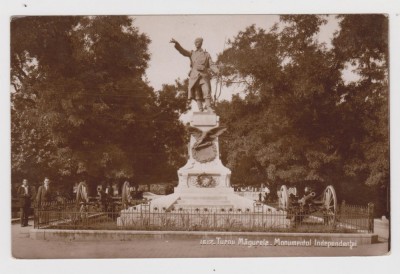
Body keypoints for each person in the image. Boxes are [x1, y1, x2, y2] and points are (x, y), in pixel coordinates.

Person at [170, 37, 219, 112]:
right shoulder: (192, 53)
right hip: (194, 76)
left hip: (203, 75)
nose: (196, 43)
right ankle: (200, 109)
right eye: (195, 42)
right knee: (197, 93)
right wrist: (177, 44)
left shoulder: (206, 54)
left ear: (201, 43)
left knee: (207, 90)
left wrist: (216, 70)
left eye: (197, 42)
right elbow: (183, 51)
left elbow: (211, 64)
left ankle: (208, 107)